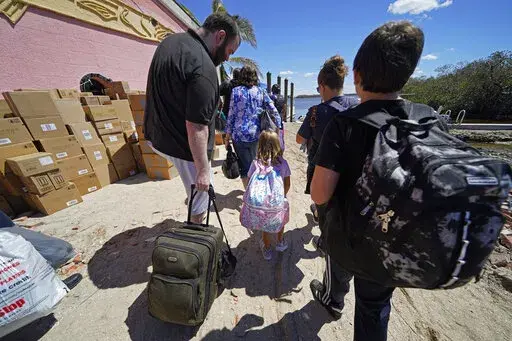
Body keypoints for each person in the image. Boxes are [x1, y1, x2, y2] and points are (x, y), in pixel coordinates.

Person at [309, 21, 430, 341]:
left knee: (340, 262)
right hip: (394, 237)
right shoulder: (426, 117)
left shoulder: (344, 123)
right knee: (374, 306)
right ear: (407, 74)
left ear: (357, 76)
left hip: (349, 232)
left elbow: (320, 194)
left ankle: (333, 299)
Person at [144, 13, 240, 224]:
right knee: (201, 195)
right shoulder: (204, 67)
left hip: (157, 133)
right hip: (182, 145)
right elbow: (196, 126)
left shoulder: (170, 42)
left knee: (195, 190)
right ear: (220, 36)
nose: (227, 58)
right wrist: (204, 171)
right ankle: (195, 235)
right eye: (230, 51)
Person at [296, 55, 359, 224]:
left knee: (323, 201)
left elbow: (299, 139)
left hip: (321, 166)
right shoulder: (357, 106)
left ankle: (321, 222)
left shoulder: (316, 111)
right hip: (351, 167)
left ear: (322, 87)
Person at [225, 66, 282, 188]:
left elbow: (231, 114)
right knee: (257, 164)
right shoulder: (261, 91)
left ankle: (248, 194)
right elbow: (273, 109)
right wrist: (278, 126)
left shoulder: (235, 91)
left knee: (244, 167)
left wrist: (227, 135)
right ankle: (256, 191)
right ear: (255, 76)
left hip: (238, 135)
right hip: (256, 135)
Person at [244, 130, 291, 260]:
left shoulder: (255, 163)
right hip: (278, 201)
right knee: (280, 221)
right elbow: (287, 183)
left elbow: (249, 182)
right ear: (278, 145)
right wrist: (281, 196)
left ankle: (267, 247)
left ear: (260, 146)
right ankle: (280, 242)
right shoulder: (283, 163)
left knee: (266, 225)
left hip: (263, 203)